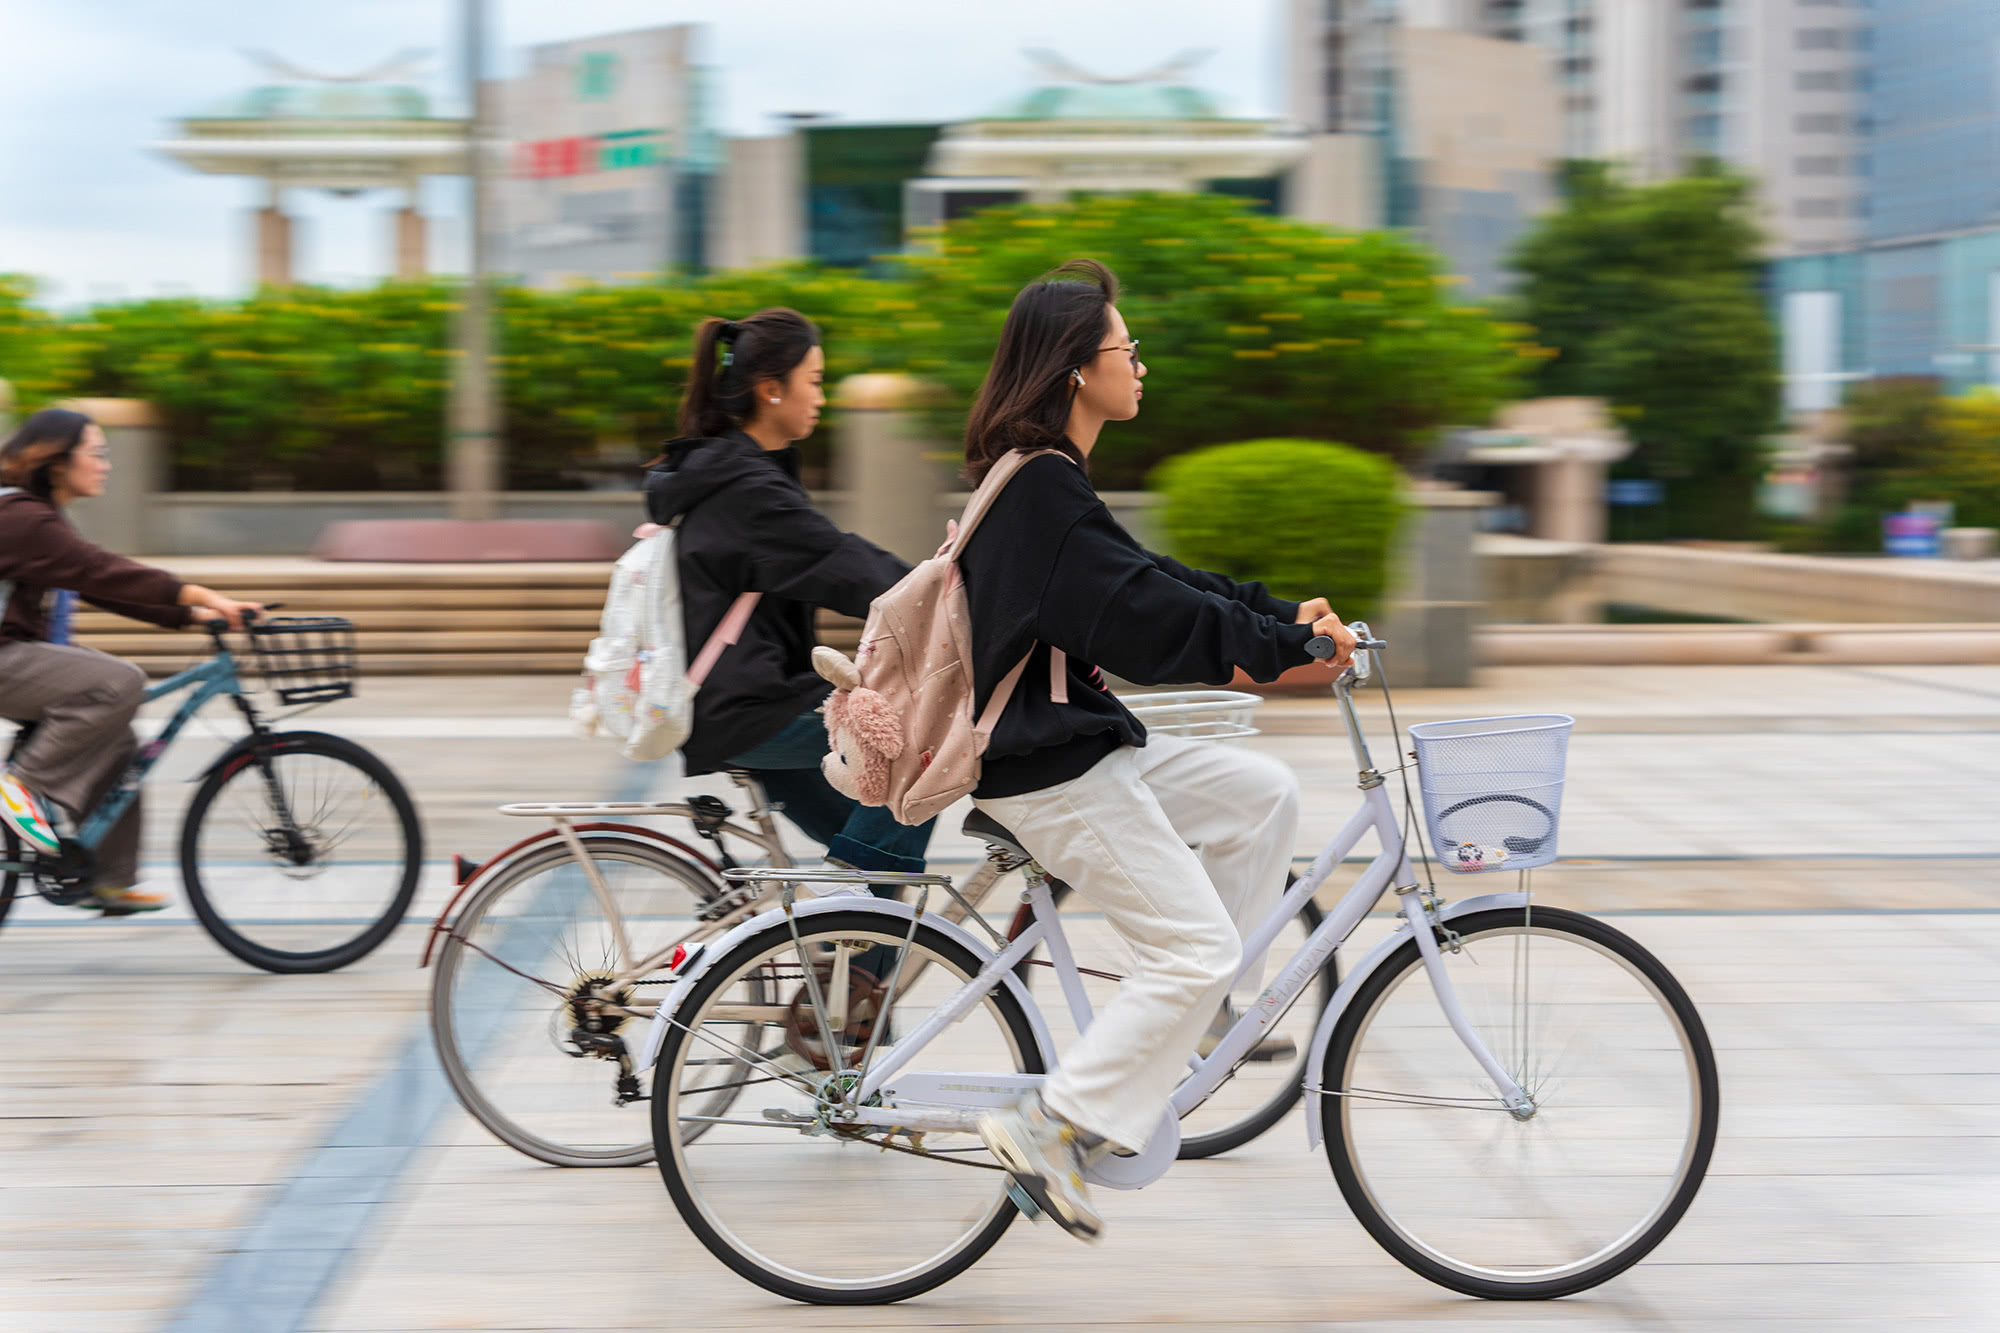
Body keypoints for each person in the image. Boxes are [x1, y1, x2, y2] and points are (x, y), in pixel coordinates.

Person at [957, 260, 1357, 1240]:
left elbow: (1154, 577)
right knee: (1194, 946)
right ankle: (1049, 1124)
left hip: (1074, 746)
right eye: (1125, 350)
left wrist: (1274, 615)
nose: (1139, 365)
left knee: (1261, 793)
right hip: (1046, 769)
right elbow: (1148, 619)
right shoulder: (1038, 490)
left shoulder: (1046, 478)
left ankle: (1198, 1006)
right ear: (1074, 369)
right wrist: (1283, 650)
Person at [643, 308, 934, 905]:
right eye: (815, 381)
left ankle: (851, 947)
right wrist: (950, 599)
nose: (822, 397)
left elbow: (831, 560)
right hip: (750, 709)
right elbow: (843, 563)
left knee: (878, 850)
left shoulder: (737, 471)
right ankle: (856, 935)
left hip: (747, 701)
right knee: (918, 746)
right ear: (771, 389)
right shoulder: (747, 487)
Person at [0, 408, 261, 913]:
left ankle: (110, 880)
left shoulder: (36, 516)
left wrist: (193, 615)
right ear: (57, 460)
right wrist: (203, 594)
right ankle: (20, 790)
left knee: (115, 738)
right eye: (97, 454)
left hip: (12, 652)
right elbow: (101, 570)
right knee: (117, 682)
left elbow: (101, 586)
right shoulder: (23, 518)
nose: (106, 465)